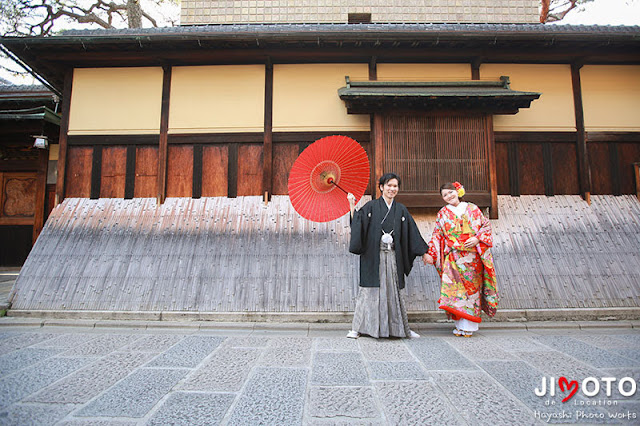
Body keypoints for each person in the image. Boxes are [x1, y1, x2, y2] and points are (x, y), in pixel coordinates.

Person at [346, 173, 430, 339]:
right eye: (389, 185)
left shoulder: (401, 210)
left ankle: (401, 329)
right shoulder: (370, 207)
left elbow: (411, 232)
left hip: (392, 256)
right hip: (373, 255)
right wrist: (351, 205)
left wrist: (423, 252)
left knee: (394, 291)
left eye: (395, 186)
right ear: (381, 187)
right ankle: (357, 328)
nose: (392, 189)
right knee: (369, 291)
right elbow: (358, 224)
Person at [424, 182, 498, 337]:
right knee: (456, 292)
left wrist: (477, 239)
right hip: (454, 257)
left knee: (472, 291)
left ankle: (469, 326)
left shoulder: (472, 208)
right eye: (445, 195)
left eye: (450, 192)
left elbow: (485, 226)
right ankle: (459, 325)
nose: (449, 196)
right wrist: (430, 253)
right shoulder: (443, 213)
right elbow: (437, 235)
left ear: (458, 191)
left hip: (473, 257)